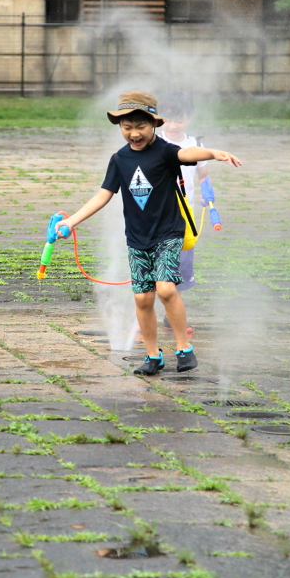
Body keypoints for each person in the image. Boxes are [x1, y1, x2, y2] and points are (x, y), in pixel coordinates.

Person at [56, 91, 242, 376]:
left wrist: (212, 153)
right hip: (138, 238)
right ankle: (153, 356)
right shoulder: (119, 160)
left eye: (140, 126)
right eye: (127, 127)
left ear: (154, 124)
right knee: (142, 299)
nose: (134, 133)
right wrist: (72, 222)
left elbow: (186, 154)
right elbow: (103, 195)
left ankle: (184, 349)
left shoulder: (165, 151)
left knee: (166, 289)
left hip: (169, 232)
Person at [157, 90, 208, 303]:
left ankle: (173, 315)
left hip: (184, 214)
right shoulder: (152, 142)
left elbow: (203, 175)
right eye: (167, 119)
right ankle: (142, 318)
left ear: (189, 118)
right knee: (152, 263)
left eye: (179, 120)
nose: (173, 125)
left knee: (180, 263)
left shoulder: (195, 145)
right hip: (157, 212)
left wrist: (207, 194)